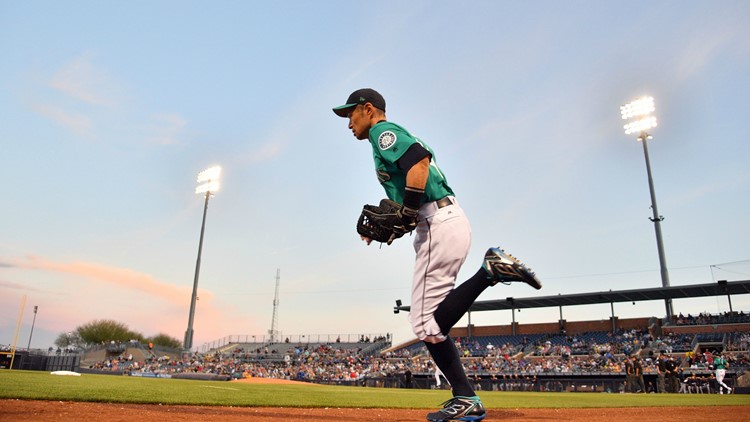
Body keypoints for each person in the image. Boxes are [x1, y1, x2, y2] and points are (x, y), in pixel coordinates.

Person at [333, 88, 541, 422]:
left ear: (368, 109)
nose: (348, 122)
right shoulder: (384, 137)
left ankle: (489, 272)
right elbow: (414, 179)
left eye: (350, 114)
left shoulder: (382, 133)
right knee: (428, 325)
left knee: (424, 323)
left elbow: (419, 161)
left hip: (438, 223)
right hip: (442, 221)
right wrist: (401, 217)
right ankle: (465, 397)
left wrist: (409, 210)